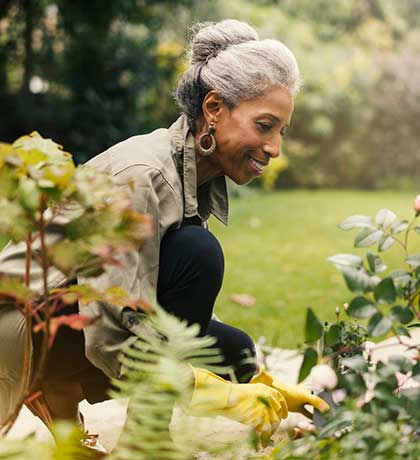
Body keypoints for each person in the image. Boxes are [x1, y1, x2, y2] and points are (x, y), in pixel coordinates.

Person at [0, 19, 327, 437]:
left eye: (281, 130)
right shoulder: (141, 175)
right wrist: (214, 394)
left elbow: (171, 306)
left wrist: (257, 381)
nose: (275, 148)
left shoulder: (190, 173)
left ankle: (60, 389)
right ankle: (139, 434)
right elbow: (108, 333)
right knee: (199, 253)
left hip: (60, 323)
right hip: (18, 335)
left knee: (233, 349)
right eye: (265, 126)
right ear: (213, 109)